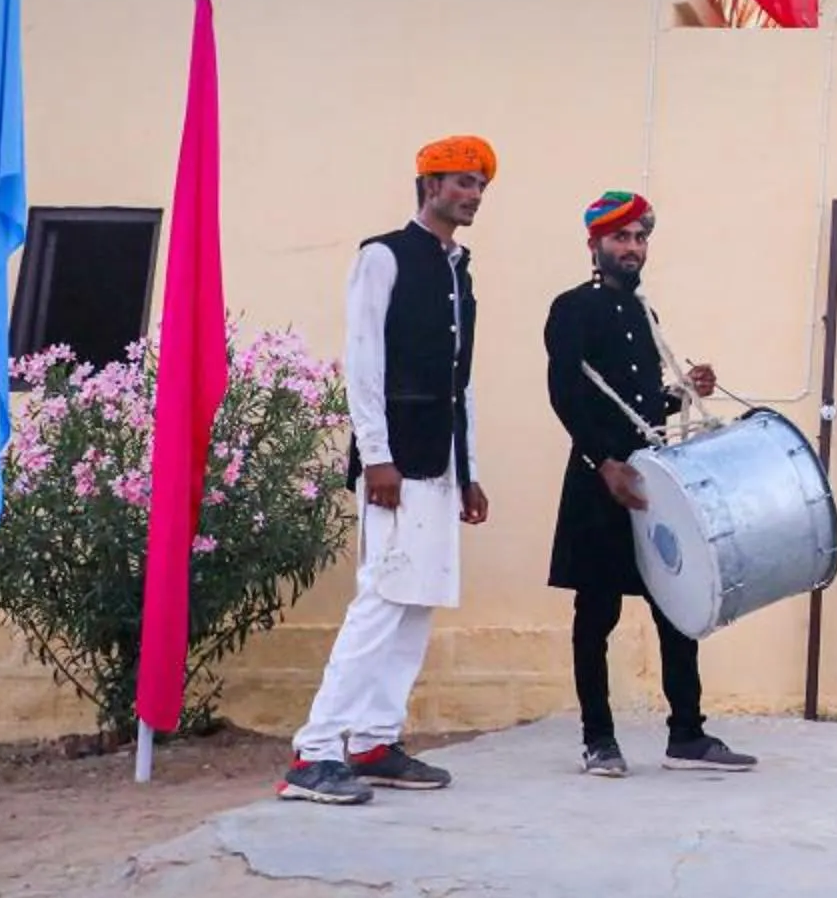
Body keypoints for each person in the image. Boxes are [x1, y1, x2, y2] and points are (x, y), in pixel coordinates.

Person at [280, 136, 497, 805]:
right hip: (395, 461)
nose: (474, 195)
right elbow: (364, 360)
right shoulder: (383, 256)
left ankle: (375, 740)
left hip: (439, 460)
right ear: (430, 186)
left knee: (418, 599)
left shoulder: (459, 271)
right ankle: (315, 750)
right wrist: (376, 455)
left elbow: (459, 381)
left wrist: (470, 469)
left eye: (480, 186)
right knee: (381, 597)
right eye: (463, 182)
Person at [546, 189, 757, 776]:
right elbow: (566, 393)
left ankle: (687, 735)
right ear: (595, 245)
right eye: (621, 237)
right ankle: (598, 740)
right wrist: (604, 462)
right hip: (599, 482)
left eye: (640, 238)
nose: (633, 247)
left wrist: (684, 391)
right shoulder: (572, 308)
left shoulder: (645, 316)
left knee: (676, 605)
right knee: (597, 614)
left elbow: (640, 407)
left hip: (650, 481)